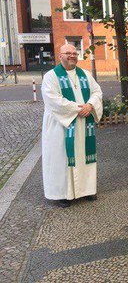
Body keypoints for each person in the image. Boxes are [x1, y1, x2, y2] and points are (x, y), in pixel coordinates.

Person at [41, 43, 103, 208]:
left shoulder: (86, 75)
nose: (72, 55)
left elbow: (97, 92)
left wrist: (90, 105)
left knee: (84, 155)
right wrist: (79, 109)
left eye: (74, 53)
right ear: (60, 55)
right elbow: (54, 101)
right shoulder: (51, 77)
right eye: (67, 53)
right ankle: (63, 194)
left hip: (83, 125)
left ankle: (87, 190)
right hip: (61, 127)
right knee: (62, 158)